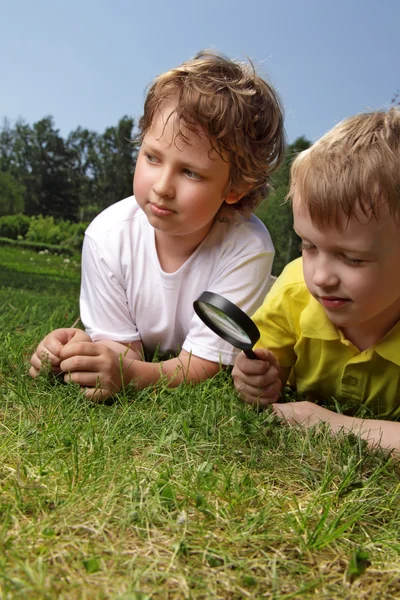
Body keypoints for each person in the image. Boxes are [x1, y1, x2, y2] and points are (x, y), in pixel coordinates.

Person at [29, 50, 285, 399]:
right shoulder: (106, 236)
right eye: (152, 157)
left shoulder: (247, 247)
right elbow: (123, 351)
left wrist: (130, 376)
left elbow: (202, 365)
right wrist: (86, 355)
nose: (162, 187)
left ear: (235, 187)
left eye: (190, 172)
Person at [232, 107, 400, 453]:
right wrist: (255, 379)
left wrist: (325, 422)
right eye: (308, 246)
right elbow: (261, 371)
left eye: (352, 258)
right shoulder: (293, 292)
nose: (320, 278)